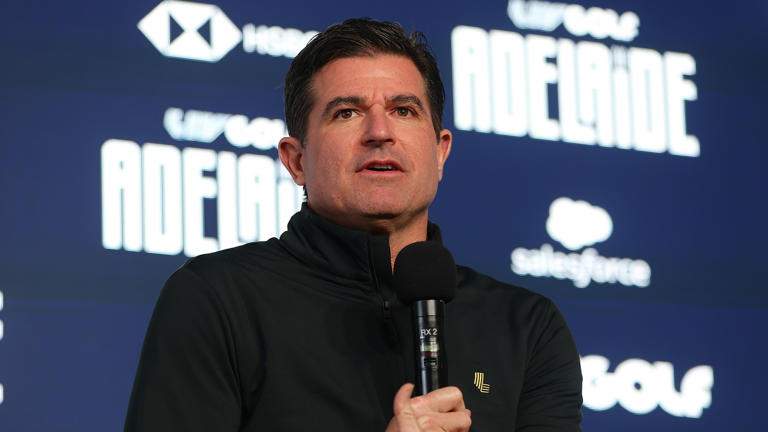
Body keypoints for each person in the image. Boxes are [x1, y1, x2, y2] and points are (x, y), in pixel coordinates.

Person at [124, 18, 582, 432]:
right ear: (296, 160)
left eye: (404, 110)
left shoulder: (525, 326)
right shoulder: (217, 299)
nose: (379, 131)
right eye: (347, 112)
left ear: (440, 151)